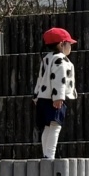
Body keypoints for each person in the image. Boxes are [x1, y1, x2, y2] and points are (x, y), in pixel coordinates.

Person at [34, 27, 78, 160]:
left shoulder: (47, 58)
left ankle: (46, 154)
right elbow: (59, 79)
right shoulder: (61, 60)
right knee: (55, 126)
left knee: (47, 127)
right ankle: (50, 155)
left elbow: (40, 79)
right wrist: (59, 97)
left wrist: (36, 95)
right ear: (61, 44)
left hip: (43, 98)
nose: (70, 46)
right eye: (69, 44)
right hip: (53, 99)